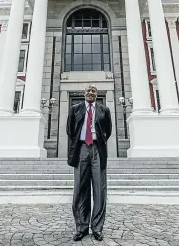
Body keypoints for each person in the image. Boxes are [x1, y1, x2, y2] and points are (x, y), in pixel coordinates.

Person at [66, 84, 112, 242]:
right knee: (80, 190)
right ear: (84, 93)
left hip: (97, 149)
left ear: (97, 94)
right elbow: (69, 129)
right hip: (81, 150)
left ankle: (97, 228)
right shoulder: (75, 109)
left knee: (99, 190)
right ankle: (81, 227)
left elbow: (108, 130)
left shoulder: (104, 110)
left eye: (93, 91)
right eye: (88, 91)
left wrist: (99, 139)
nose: (90, 93)